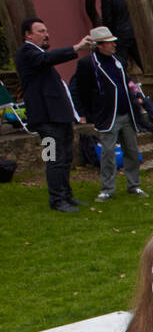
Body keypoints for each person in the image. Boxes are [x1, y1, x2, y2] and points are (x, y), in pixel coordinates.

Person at [17, 17, 95, 212]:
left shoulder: (39, 55)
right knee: (53, 158)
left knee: (66, 157)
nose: (46, 34)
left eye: (46, 30)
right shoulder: (27, 53)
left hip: (59, 117)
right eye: (41, 31)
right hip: (45, 120)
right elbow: (48, 59)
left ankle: (66, 195)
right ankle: (57, 199)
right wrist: (76, 47)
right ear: (28, 34)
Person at [71, 26, 147, 202]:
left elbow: (124, 83)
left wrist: (136, 99)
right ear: (99, 45)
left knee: (132, 151)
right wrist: (82, 113)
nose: (114, 45)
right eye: (109, 43)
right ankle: (107, 189)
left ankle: (134, 185)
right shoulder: (87, 64)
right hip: (106, 116)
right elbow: (77, 88)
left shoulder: (117, 59)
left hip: (126, 114)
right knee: (108, 154)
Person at [94, 0, 141, 70]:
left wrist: (108, 37)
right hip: (130, 31)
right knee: (139, 58)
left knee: (119, 62)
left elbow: (107, 19)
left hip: (118, 34)